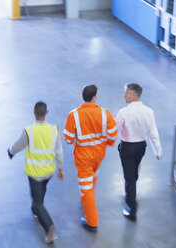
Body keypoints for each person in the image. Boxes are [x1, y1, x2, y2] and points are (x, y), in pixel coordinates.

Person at [7, 101, 64, 243]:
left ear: (34, 112)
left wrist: (11, 152)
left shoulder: (29, 130)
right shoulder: (54, 129)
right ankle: (35, 210)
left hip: (35, 173)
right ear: (47, 113)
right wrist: (61, 168)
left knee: (38, 202)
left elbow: (18, 145)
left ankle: (50, 228)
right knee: (40, 194)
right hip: (49, 171)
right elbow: (59, 152)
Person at [63, 84, 117, 232]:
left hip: (83, 158)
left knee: (86, 188)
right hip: (98, 155)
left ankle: (92, 222)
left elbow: (68, 139)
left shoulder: (73, 115)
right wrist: (106, 142)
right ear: (94, 97)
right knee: (94, 177)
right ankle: (87, 199)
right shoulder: (105, 114)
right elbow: (112, 135)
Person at [115, 83, 163, 221]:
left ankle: (132, 210)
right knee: (134, 172)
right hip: (141, 147)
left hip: (127, 147)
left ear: (133, 95)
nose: (123, 95)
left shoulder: (123, 112)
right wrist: (158, 151)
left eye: (126, 92)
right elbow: (153, 132)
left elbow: (113, 129)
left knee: (129, 177)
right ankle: (130, 193)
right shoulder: (149, 111)